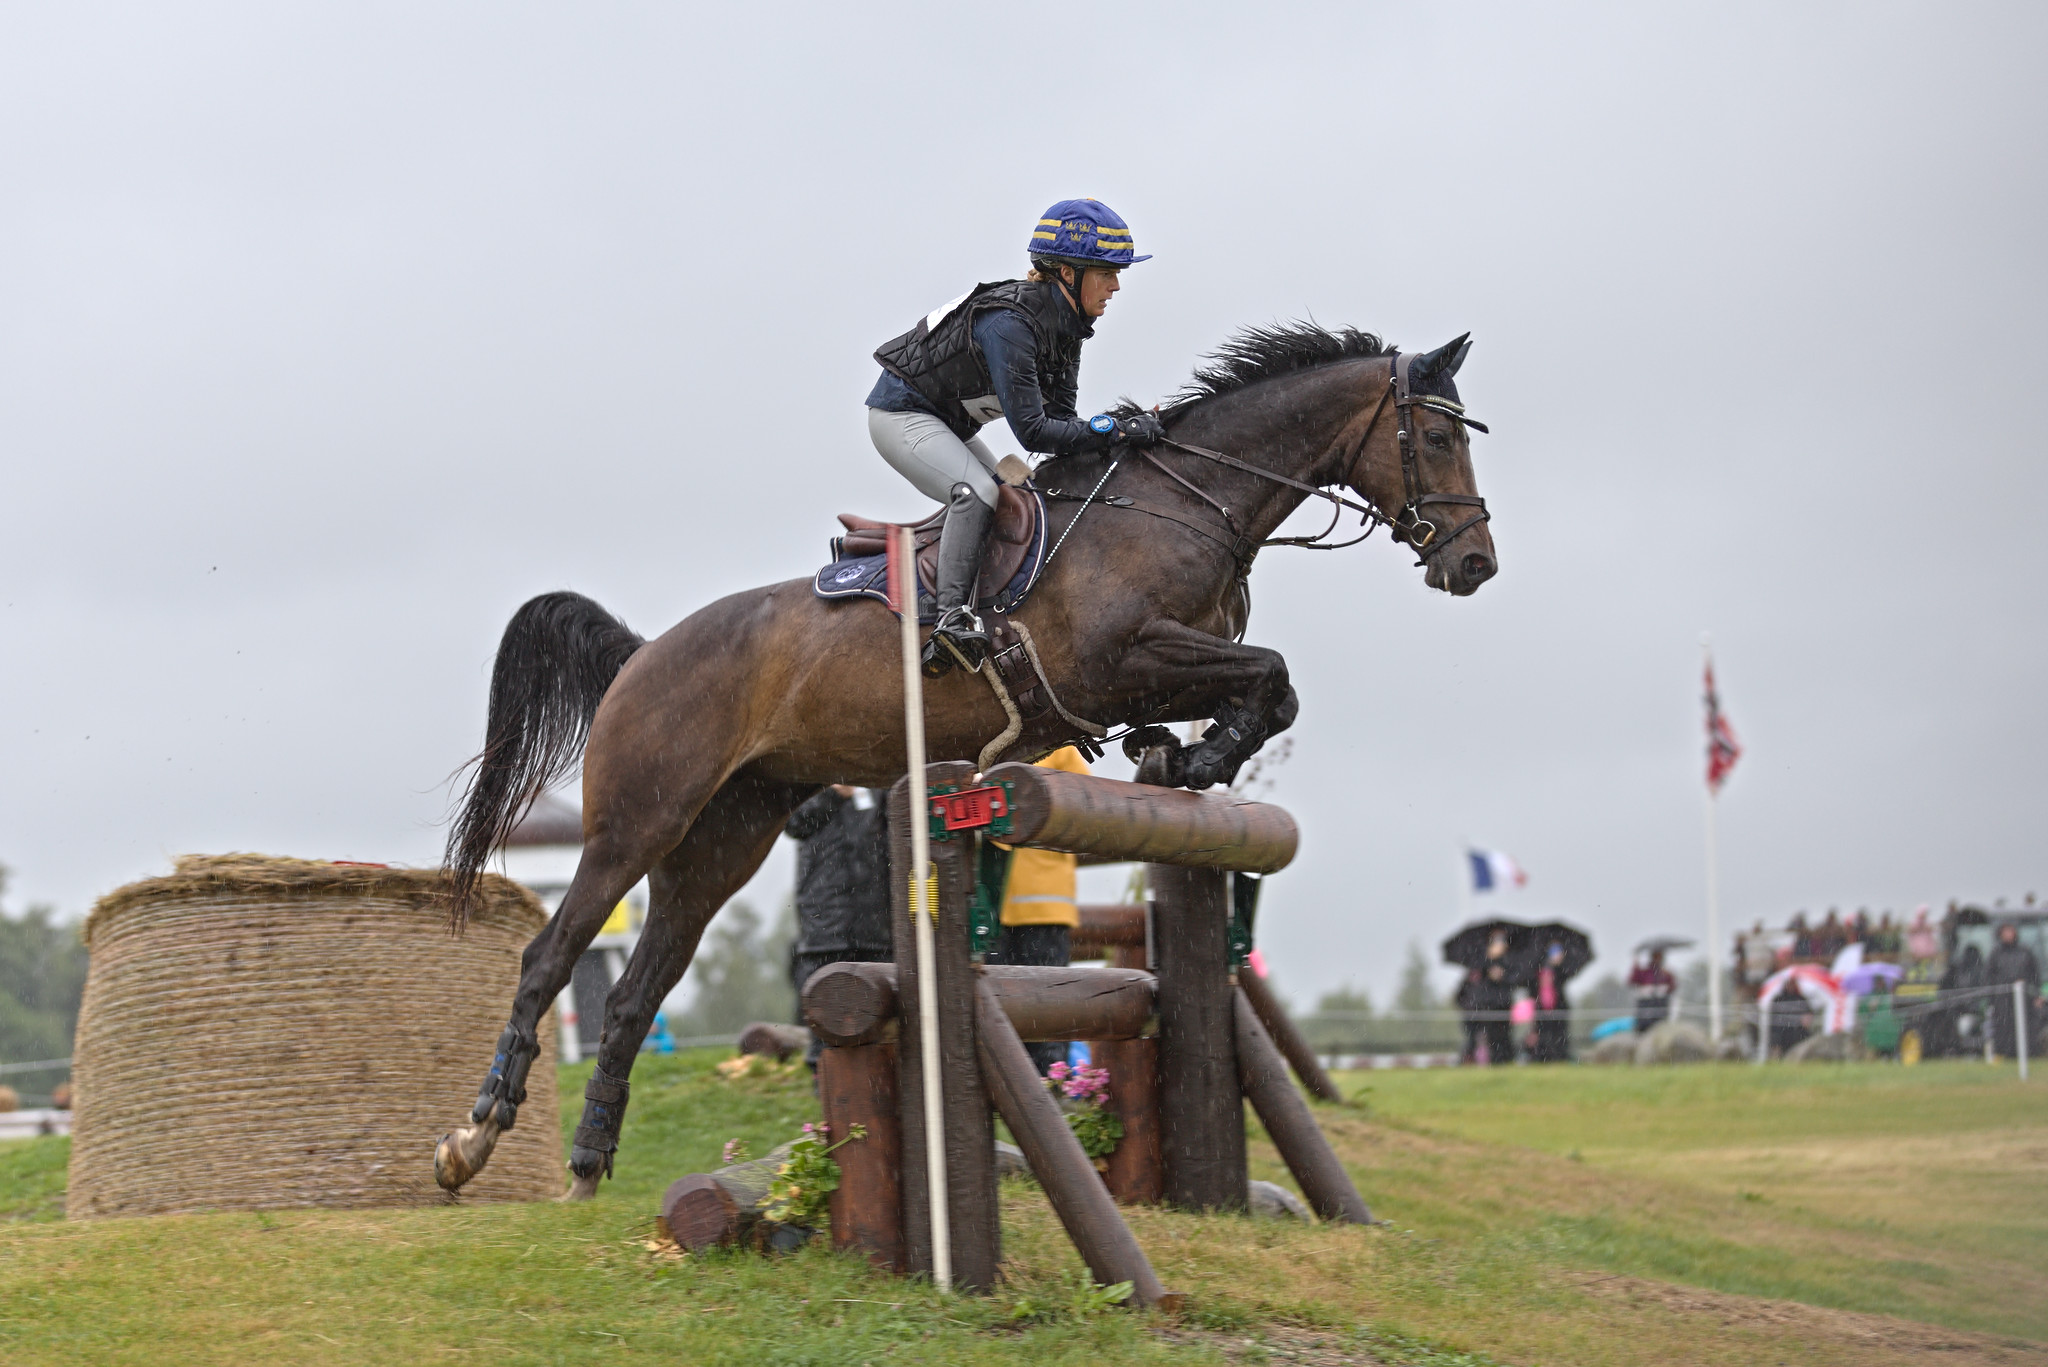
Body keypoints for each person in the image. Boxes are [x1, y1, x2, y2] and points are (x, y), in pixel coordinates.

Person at [866, 199, 1163, 677]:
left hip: (949, 425)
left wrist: (1113, 436)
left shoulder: (1067, 328)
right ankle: (951, 620)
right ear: (1067, 272)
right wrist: (1118, 428)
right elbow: (1034, 431)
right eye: (1106, 271)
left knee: (1020, 499)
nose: (1116, 284)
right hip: (901, 416)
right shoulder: (1011, 325)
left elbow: (1063, 426)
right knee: (977, 493)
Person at [985, 745, 1092, 1073]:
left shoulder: (1060, 747)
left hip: (1037, 903)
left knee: (1042, 1009)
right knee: (1009, 1008)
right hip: (998, 906)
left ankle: (1048, 1083)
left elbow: (1085, 806)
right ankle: (1033, 1084)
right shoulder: (1053, 748)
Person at [784, 785, 893, 1068]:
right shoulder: (812, 781)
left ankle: (879, 1088)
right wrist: (833, 794)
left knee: (881, 1012)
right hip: (825, 924)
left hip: (877, 925)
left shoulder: (880, 785)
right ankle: (825, 1085)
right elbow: (794, 823)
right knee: (825, 1010)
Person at [1986, 923, 2042, 1061]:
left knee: (2026, 1026)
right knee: (2005, 1027)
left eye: (2010, 931)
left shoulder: (2025, 952)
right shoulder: (1995, 954)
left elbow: (2035, 974)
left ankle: (2029, 1053)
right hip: (2003, 1000)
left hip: (2025, 998)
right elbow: (1989, 977)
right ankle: (2007, 1053)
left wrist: (2036, 994)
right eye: (2005, 931)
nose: (2008, 934)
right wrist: (1991, 999)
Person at [1530, 941, 1574, 1063]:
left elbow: (1567, 975)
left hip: (1558, 1008)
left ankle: (1559, 1058)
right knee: (1543, 1035)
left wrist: (1558, 966)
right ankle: (1544, 1058)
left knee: (1559, 1035)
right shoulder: (1537, 969)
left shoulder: (1561, 971)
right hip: (1542, 1010)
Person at [1629, 949, 1675, 1034]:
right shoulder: (1645, 972)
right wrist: (1635, 965)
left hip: (1660, 1006)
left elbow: (1672, 987)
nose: (1658, 959)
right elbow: (1632, 980)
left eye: (1659, 956)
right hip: (1646, 1006)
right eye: (1656, 956)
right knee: (1644, 1029)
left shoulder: (1666, 973)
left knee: (1661, 1027)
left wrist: (1664, 988)